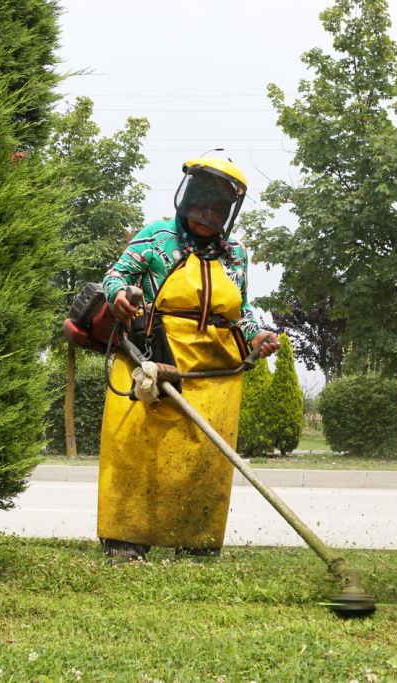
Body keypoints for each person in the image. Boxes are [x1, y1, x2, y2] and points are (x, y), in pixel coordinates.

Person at [97, 157, 280, 562]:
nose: (208, 214)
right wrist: (122, 297)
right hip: (150, 362)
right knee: (138, 453)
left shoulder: (235, 256)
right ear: (186, 199)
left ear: (229, 214)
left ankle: (196, 543)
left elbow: (242, 311)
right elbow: (116, 276)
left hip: (214, 375)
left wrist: (259, 334)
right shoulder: (157, 236)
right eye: (202, 204)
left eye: (218, 209)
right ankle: (126, 541)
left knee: (202, 462)